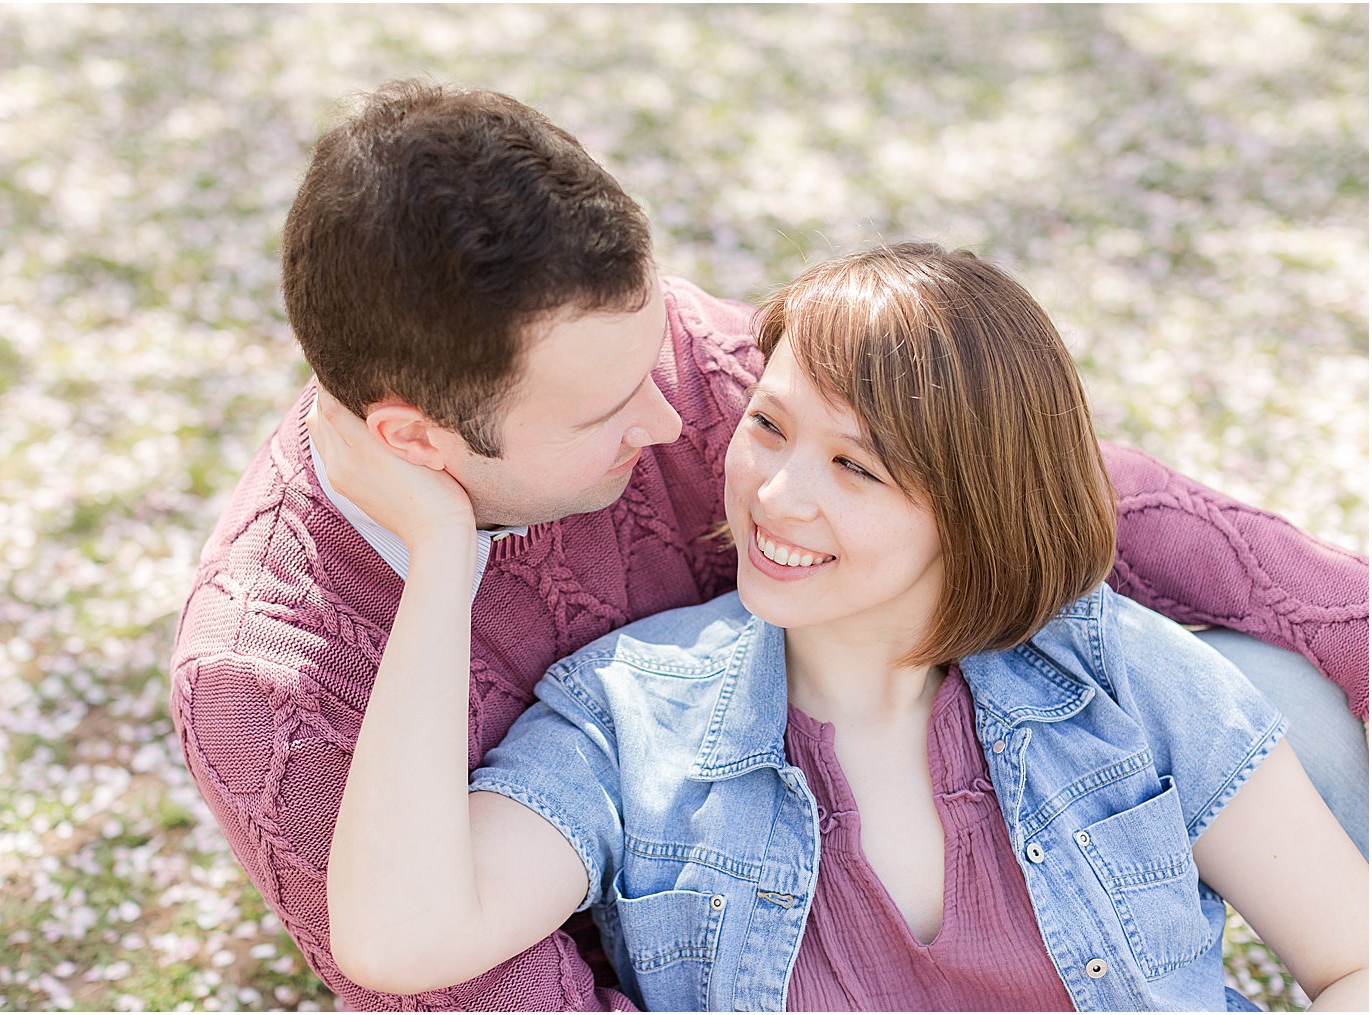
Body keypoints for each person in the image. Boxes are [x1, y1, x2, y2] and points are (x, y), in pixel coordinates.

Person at [169, 79, 1369, 1010]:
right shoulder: (298, 681)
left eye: (673, 366)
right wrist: (443, 566)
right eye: (604, 414)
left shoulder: (1104, 674)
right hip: (620, 868)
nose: (680, 422)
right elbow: (425, 964)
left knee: (1274, 694)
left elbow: (1006, 465)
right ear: (414, 440)